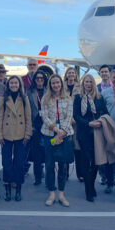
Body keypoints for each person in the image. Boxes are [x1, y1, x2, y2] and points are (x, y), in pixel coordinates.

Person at [73, 74, 109, 202]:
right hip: (84, 134)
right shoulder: (78, 98)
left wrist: (100, 122)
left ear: (93, 83)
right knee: (85, 162)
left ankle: (92, 184)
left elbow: (105, 113)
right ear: (83, 84)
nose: (88, 84)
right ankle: (88, 190)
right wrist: (88, 123)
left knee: (95, 163)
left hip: (97, 134)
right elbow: (76, 116)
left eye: (90, 82)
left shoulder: (99, 98)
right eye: (86, 82)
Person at [0, 76, 32, 201]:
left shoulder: (24, 98)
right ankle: (7, 190)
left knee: (19, 164)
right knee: (6, 163)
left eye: (16, 83)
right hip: (6, 134)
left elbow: (28, 117)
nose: (13, 85)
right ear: (8, 85)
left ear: (19, 84)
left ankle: (18, 190)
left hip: (20, 134)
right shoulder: (3, 99)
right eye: (11, 83)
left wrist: (27, 134)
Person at [40, 74, 74, 207]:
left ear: (61, 84)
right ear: (50, 85)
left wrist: (62, 132)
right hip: (49, 134)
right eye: (53, 83)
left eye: (57, 83)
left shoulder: (68, 98)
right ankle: (51, 193)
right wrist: (56, 130)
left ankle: (61, 193)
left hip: (65, 135)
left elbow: (69, 116)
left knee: (62, 165)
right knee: (49, 164)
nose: (56, 85)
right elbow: (45, 116)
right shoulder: (45, 98)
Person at [26, 70, 48, 185]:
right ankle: (38, 176)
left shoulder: (49, 92)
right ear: (34, 80)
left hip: (47, 125)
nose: (39, 80)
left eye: (42, 78)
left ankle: (48, 175)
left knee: (47, 150)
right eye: (37, 78)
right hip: (35, 125)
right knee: (36, 152)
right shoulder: (29, 92)